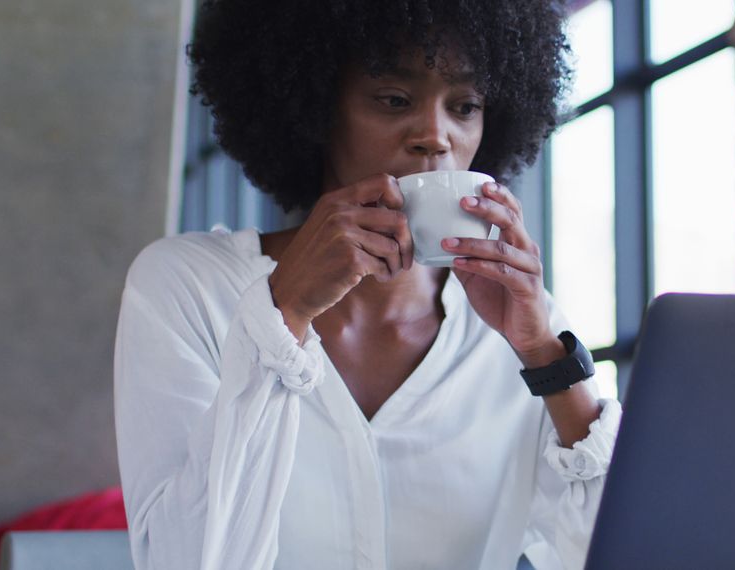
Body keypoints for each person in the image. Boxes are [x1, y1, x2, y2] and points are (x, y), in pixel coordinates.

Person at [113, 1, 621, 568]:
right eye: (394, 100)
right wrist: (282, 317)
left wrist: (544, 357)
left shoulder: (516, 328)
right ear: (316, 107)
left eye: (465, 106)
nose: (435, 135)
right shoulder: (189, 288)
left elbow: (613, 550)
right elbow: (185, 559)